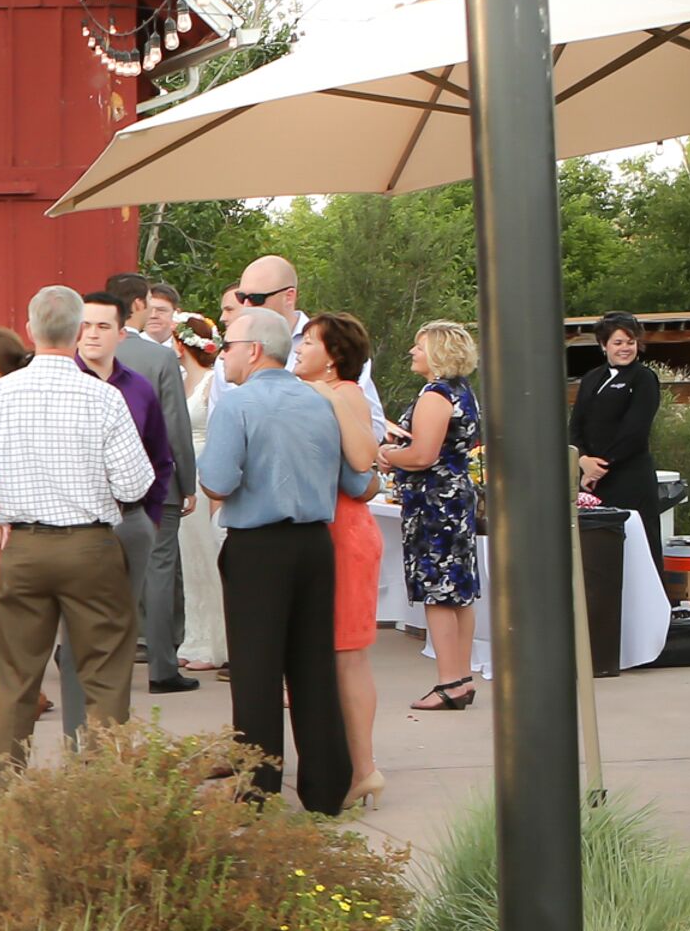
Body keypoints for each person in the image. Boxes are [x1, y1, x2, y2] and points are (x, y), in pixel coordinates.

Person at [0, 285, 152, 791]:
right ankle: (106, 797)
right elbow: (135, 483)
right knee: (105, 674)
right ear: (81, 331)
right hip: (91, 544)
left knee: (16, 680)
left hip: (26, 547)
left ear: (32, 330)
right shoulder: (104, 397)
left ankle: (5, 800)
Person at [200, 308, 367, 812]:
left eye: (226, 345)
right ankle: (326, 791)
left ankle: (258, 791)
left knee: (256, 670)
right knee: (313, 666)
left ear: (253, 350)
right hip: (315, 544)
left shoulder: (237, 404)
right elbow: (358, 482)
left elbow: (218, 482)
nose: (221, 354)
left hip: (258, 547)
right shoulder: (323, 400)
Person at [49, 289, 175, 745]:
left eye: (103, 326)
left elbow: (161, 455)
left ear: (123, 333)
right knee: (76, 637)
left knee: (121, 634)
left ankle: (111, 739)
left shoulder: (138, 388)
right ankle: (77, 739)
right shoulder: (59, 387)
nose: (92, 334)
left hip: (130, 522)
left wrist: (152, 516)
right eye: (85, 325)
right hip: (76, 527)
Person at [294, 314, 387, 810]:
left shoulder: (345, 393)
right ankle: (348, 763)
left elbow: (362, 461)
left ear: (332, 356)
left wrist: (328, 399)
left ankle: (363, 767)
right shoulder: (312, 390)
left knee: (348, 654)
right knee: (333, 655)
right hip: (328, 530)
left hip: (345, 533)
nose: (300, 348)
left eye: (310, 342)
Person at [381, 322, 485, 714]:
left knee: (438, 590)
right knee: (458, 588)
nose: (412, 351)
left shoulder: (436, 395)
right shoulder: (462, 393)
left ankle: (448, 680)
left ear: (439, 353)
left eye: (419, 346)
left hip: (434, 501)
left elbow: (424, 455)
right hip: (454, 497)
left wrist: (387, 453)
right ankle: (461, 676)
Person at [106, 273, 199, 694]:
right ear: (139, 305)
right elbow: (175, 425)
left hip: (98, 485)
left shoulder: (85, 354)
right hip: (154, 482)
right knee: (159, 571)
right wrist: (188, 481)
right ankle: (162, 666)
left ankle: (99, 663)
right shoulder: (159, 360)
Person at [238, 254, 389, 442]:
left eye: (256, 298)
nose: (245, 306)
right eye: (240, 297)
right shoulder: (232, 351)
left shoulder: (338, 344)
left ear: (289, 296)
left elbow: (372, 431)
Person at [569, 312, 664, 548]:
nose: (625, 349)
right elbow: (575, 424)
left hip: (629, 478)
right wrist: (582, 460)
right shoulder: (591, 378)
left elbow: (635, 431)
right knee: (598, 548)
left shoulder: (643, 378)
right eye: (618, 343)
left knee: (637, 545)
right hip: (592, 481)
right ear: (604, 345)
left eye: (630, 343)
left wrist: (600, 466)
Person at [172, 320, 227, 674]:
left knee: (210, 559)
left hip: (206, 467)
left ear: (181, 344)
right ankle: (194, 637)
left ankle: (217, 643)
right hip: (182, 472)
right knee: (189, 562)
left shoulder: (213, 381)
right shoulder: (177, 380)